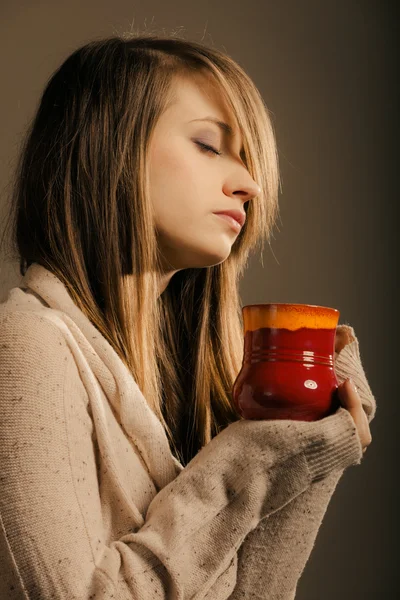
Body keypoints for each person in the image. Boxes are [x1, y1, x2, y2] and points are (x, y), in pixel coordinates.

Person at [0, 34, 376, 599]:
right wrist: (252, 459)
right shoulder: (25, 347)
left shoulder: (192, 384)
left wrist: (305, 452)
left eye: (247, 159)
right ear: (107, 148)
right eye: (208, 144)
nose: (248, 184)